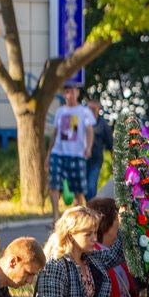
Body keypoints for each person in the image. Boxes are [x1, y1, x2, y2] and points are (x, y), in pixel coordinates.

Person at [46, 82, 95, 221]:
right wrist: (49, 155)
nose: (70, 95)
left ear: (77, 93)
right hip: (58, 153)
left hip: (77, 154)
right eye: (67, 92)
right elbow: (55, 133)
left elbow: (89, 130)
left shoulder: (84, 111)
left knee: (79, 190)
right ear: (64, 95)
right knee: (54, 185)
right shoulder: (60, 111)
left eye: (73, 91)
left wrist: (88, 147)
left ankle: (82, 218)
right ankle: (55, 216)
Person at [85, 100, 112, 201]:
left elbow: (110, 145)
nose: (90, 111)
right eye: (88, 109)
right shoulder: (81, 122)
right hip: (82, 160)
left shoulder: (103, 125)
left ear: (98, 110)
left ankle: (90, 209)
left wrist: (114, 163)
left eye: (93, 109)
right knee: (81, 187)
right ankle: (84, 208)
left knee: (91, 186)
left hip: (95, 161)